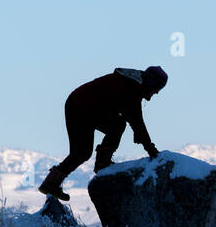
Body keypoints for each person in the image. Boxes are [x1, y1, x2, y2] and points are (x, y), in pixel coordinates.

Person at [38, 65, 168, 201]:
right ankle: (102, 163)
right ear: (152, 83)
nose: (157, 92)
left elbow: (135, 121)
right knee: (116, 125)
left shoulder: (134, 85)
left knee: (81, 153)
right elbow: (137, 122)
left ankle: (51, 183)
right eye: (158, 88)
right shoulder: (131, 89)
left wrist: (143, 138)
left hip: (78, 105)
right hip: (80, 108)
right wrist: (151, 149)